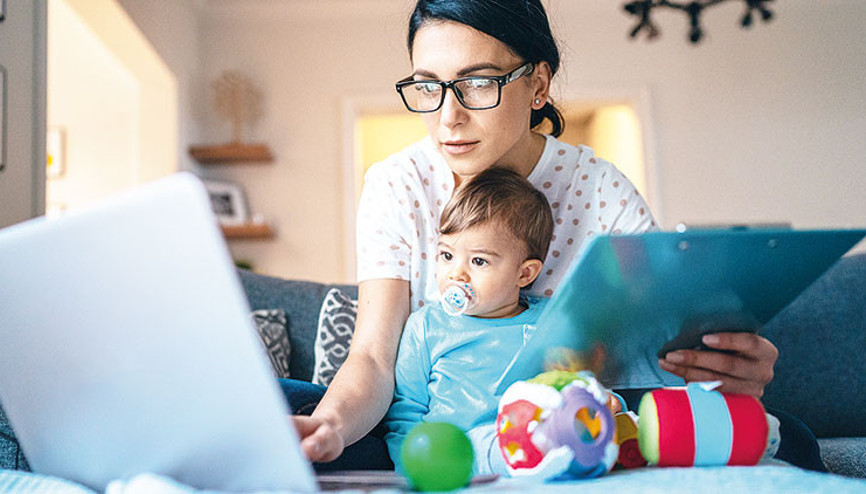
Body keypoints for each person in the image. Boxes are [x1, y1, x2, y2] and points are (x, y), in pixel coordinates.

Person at [287, 0, 785, 471]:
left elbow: (652, 344)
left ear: (539, 84)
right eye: (427, 87)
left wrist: (720, 370)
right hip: (425, 429)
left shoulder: (598, 188)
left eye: (477, 83)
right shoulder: (397, 183)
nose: (447, 117)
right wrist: (328, 426)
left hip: (565, 424)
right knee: (287, 409)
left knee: (792, 438)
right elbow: (372, 358)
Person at [382, 166, 555, 474]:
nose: (456, 274)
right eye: (447, 256)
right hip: (451, 460)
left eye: (478, 261)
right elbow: (406, 413)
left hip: (528, 453)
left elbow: (576, 385)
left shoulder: (550, 321)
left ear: (524, 273)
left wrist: (609, 406)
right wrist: (414, 470)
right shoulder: (425, 326)